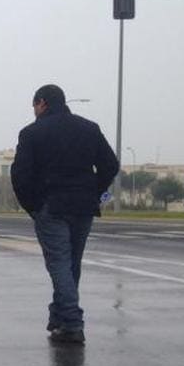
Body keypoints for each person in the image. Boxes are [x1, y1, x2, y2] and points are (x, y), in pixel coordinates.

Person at [11, 84, 119, 345]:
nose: (34, 111)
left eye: (35, 106)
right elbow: (110, 165)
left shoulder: (32, 133)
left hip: (52, 206)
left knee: (59, 264)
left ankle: (72, 322)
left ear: (42, 103)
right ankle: (59, 317)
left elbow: (20, 175)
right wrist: (94, 191)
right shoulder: (89, 128)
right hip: (83, 207)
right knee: (71, 265)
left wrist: (33, 206)